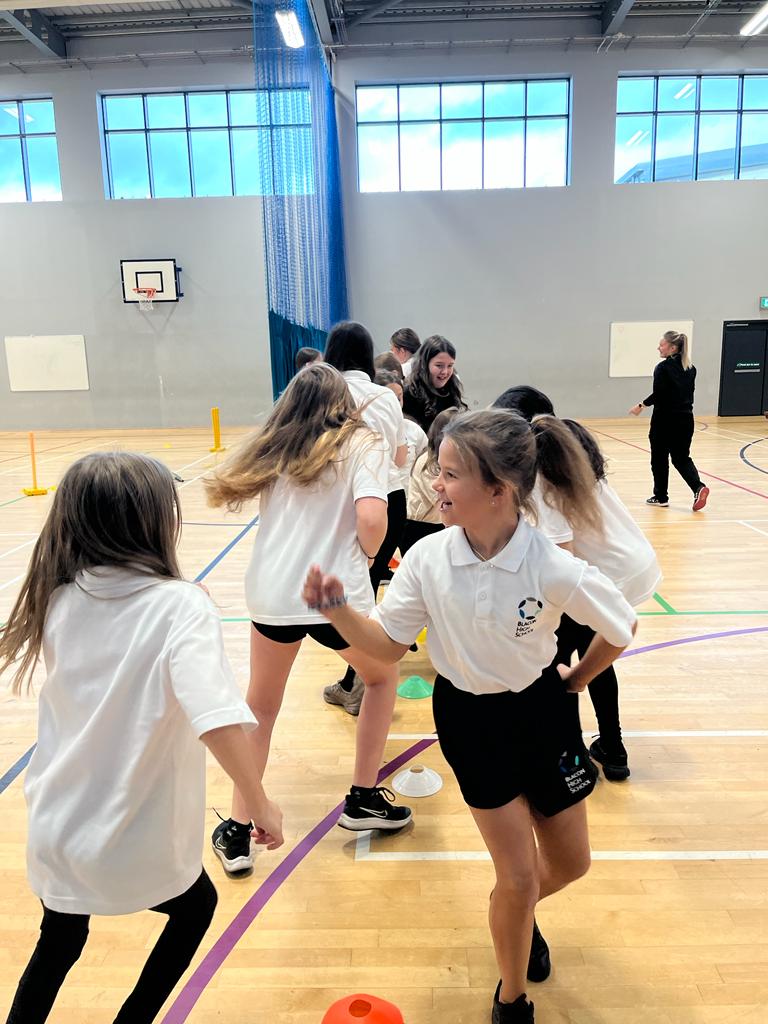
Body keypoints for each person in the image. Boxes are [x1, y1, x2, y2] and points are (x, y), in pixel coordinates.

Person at [303, 409, 637, 1024]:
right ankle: (511, 998)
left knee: (569, 865)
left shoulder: (551, 565)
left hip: (543, 713)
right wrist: (339, 613)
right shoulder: (429, 559)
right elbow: (384, 648)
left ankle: (520, 909)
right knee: (514, 876)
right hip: (469, 723)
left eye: (451, 474)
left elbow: (621, 626)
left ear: (498, 491)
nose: (437, 483)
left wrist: (579, 679)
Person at [0, 452, 283, 1024]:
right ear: (153, 523)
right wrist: (257, 801)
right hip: (131, 836)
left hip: (58, 828)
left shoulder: (57, 596)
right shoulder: (179, 607)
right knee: (196, 907)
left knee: (57, 941)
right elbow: (215, 716)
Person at [205, 363, 410, 874]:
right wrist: (367, 556)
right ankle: (363, 797)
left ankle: (237, 829)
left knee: (262, 707)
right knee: (382, 678)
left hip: (272, 593)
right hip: (332, 593)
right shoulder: (362, 442)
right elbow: (371, 517)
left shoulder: (278, 442)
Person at [493, 387, 661, 781]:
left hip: (608, 574)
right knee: (591, 655)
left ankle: (572, 756)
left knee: (557, 663)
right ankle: (612, 747)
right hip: (632, 564)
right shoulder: (569, 452)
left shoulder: (541, 479)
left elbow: (560, 555)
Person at [322, 322, 408, 715]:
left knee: (354, 600)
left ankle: (361, 682)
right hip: (391, 499)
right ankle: (361, 679)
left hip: (350, 505)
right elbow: (398, 456)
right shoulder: (385, 396)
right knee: (368, 594)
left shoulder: (323, 391)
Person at [629, 330, 709, 511]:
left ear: (672, 347)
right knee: (681, 458)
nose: (659, 347)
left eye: (662, 344)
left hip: (664, 420)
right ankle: (698, 487)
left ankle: (661, 496)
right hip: (686, 419)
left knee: (659, 458)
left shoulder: (662, 368)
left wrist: (641, 405)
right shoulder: (691, 368)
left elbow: (660, 394)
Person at [400, 407, 458, 556]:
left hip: (436, 524)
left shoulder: (446, 460)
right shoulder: (428, 461)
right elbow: (440, 495)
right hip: (419, 527)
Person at [374, 368, 428, 504]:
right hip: (381, 500)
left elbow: (427, 463)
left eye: (399, 397)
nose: (397, 404)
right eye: (391, 398)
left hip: (409, 503)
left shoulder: (413, 429)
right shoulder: (369, 431)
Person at [402, 335, 468, 432]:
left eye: (450, 366)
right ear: (425, 364)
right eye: (439, 365)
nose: (445, 372)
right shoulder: (409, 393)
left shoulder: (451, 386)